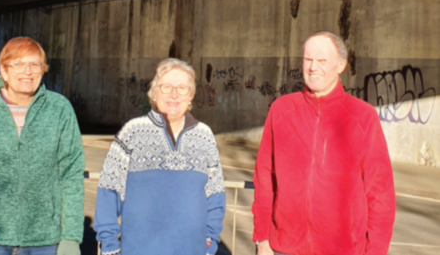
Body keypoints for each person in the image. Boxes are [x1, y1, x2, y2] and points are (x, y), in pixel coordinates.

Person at [252, 32, 396, 255]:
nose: (312, 67)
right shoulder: (281, 110)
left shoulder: (363, 116)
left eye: (321, 61)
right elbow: (264, 178)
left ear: (340, 66)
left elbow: (380, 192)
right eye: (308, 60)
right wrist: (262, 237)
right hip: (284, 248)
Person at [0, 37, 85, 255]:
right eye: (18, 64)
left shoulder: (59, 109)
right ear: (4, 71)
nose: (27, 71)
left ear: (43, 69)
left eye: (34, 64)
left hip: (44, 241)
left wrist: (71, 237)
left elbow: (71, 177)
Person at [93, 58, 225, 255]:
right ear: (154, 93)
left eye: (182, 88)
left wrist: (209, 242)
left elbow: (215, 195)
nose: (174, 94)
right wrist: (109, 246)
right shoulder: (132, 132)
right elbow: (109, 191)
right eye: (166, 87)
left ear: (191, 96)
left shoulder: (204, 135)